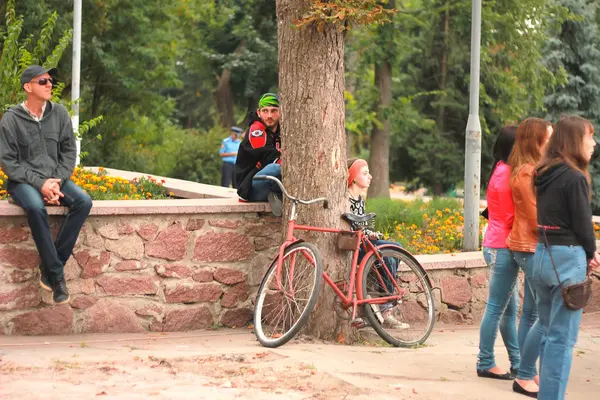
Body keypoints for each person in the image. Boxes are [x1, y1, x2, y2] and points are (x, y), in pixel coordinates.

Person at [0, 65, 92, 304]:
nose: (50, 84)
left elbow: (69, 153)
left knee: (83, 201)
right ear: (28, 87)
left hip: (56, 179)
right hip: (23, 182)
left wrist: (57, 181)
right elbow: (9, 162)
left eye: (50, 80)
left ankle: (49, 269)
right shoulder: (11, 119)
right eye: (43, 81)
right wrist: (41, 184)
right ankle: (58, 276)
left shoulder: (60, 114)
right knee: (35, 207)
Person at [531, 115, 600, 400]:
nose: (594, 143)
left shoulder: (543, 172)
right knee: (562, 340)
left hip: (544, 256)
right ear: (574, 141)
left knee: (549, 335)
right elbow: (584, 223)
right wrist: (592, 252)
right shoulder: (574, 177)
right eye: (589, 137)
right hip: (567, 261)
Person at [507, 117, 553, 396]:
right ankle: (524, 374)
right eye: (549, 138)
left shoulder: (530, 170)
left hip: (528, 246)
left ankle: (527, 371)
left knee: (531, 314)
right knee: (544, 316)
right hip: (529, 247)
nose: (553, 143)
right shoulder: (527, 173)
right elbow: (537, 216)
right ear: (535, 141)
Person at [476, 126, 521, 380]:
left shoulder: (500, 169)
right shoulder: (508, 176)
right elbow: (512, 215)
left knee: (507, 310)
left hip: (495, 243)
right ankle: (485, 361)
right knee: (496, 308)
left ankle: (517, 362)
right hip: (502, 247)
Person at [347, 158, 408, 329]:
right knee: (387, 257)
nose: (370, 177)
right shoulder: (345, 199)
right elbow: (351, 227)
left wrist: (370, 233)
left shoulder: (359, 199)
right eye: (365, 173)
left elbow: (362, 226)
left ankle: (384, 300)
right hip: (355, 245)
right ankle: (386, 310)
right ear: (352, 177)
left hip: (365, 241)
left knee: (397, 248)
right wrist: (365, 233)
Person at [234, 93, 282, 216]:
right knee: (276, 167)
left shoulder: (283, 130)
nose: (269, 116)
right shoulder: (256, 130)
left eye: (274, 111)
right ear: (259, 112)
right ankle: (276, 194)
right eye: (265, 111)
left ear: (281, 111)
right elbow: (267, 155)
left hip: (272, 182)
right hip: (250, 187)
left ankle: (276, 194)